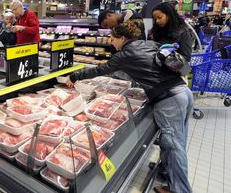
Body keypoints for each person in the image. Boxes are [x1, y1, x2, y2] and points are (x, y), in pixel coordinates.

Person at [66, 21, 193, 193]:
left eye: (112, 39)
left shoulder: (125, 54)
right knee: (178, 141)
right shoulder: (147, 43)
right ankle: (168, 174)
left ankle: (180, 190)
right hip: (183, 92)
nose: (111, 42)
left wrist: (75, 76)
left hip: (169, 99)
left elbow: (100, 70)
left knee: (173, 145)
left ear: (122, 38)